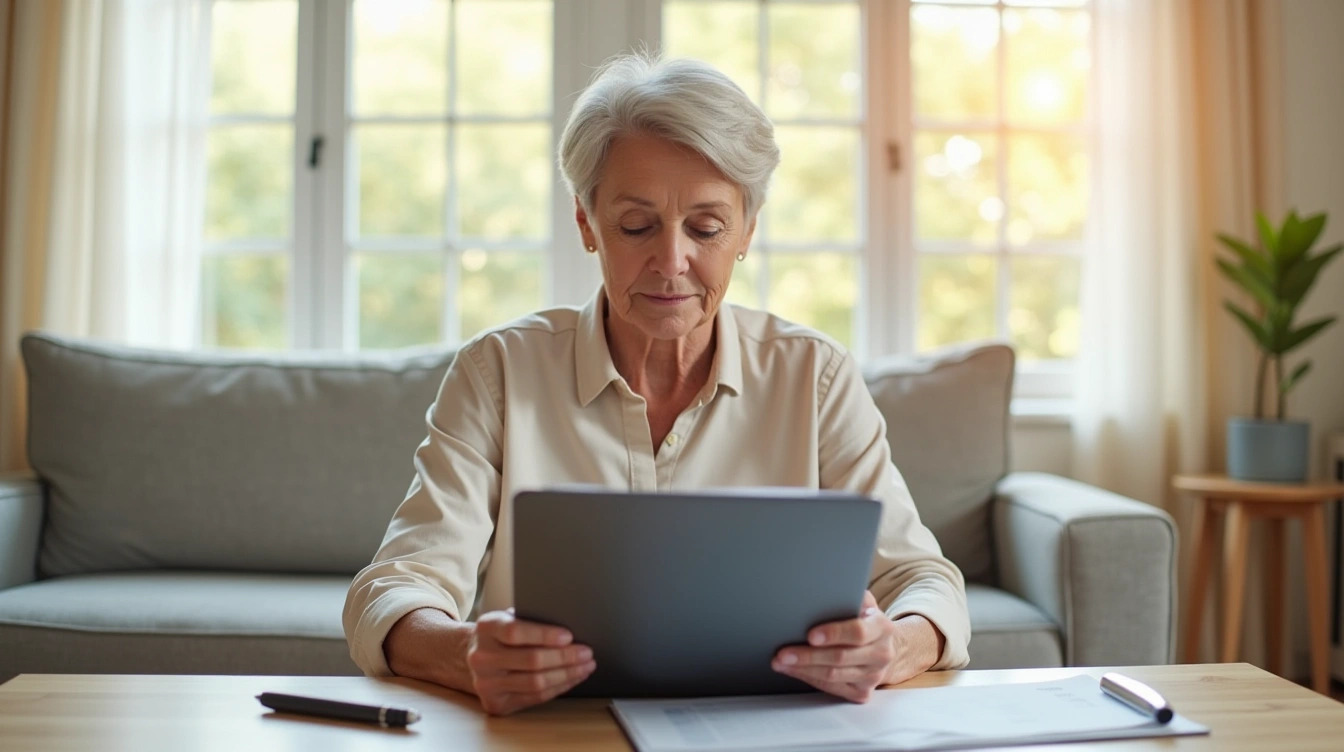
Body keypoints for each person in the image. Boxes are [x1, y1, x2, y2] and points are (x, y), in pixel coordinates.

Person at [342, 53, 969, 717]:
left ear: (748, 232)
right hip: (549, 732)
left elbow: (924, 581)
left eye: (706, 227)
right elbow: (394, 586)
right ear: (587, 225)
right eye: (636, 226)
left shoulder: (814, 376)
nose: (672, 262)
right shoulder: (497, 372)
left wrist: (891, 646)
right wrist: (463, 651)